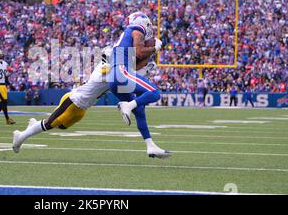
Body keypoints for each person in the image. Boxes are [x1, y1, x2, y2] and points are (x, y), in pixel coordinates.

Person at [12, 47, 158, 154]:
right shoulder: (106, 69)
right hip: (73, 101)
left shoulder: (112, 70)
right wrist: (144, 67)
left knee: (61, 127)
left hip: (82, 108)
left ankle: (34, 125)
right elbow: (126, 76)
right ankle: (21, 136)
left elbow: (127, 75)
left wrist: (142, 67)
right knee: (50, 124)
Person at [108, 11, 171, 159]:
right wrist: (154, 48)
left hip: (115, 77)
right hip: (121, 72)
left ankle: (150, 146)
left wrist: (151, 53)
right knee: (154, 93)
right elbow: (139, 51)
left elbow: (136, 63)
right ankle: (127, 106)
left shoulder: (127, 36)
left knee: (140, 109)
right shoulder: (137, 29)